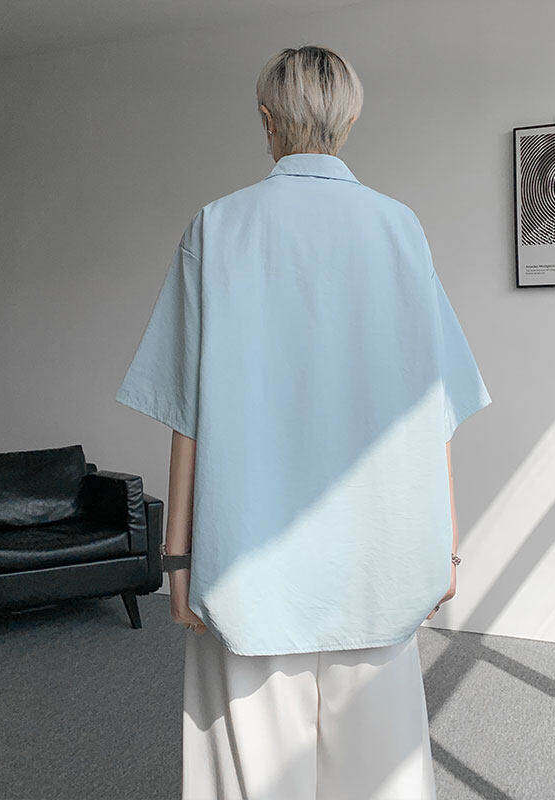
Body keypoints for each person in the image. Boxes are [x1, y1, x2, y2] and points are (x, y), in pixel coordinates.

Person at [117, 45, 490, 800]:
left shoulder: (217, 228)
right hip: (379, 556)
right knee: (380, 776)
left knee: (250, 776)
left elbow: (188, 413)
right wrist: (443, 547)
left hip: (247, 557)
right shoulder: (399, 228)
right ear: (350, 119)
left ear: (267, 119)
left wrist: (177, 559)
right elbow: (434, 405)